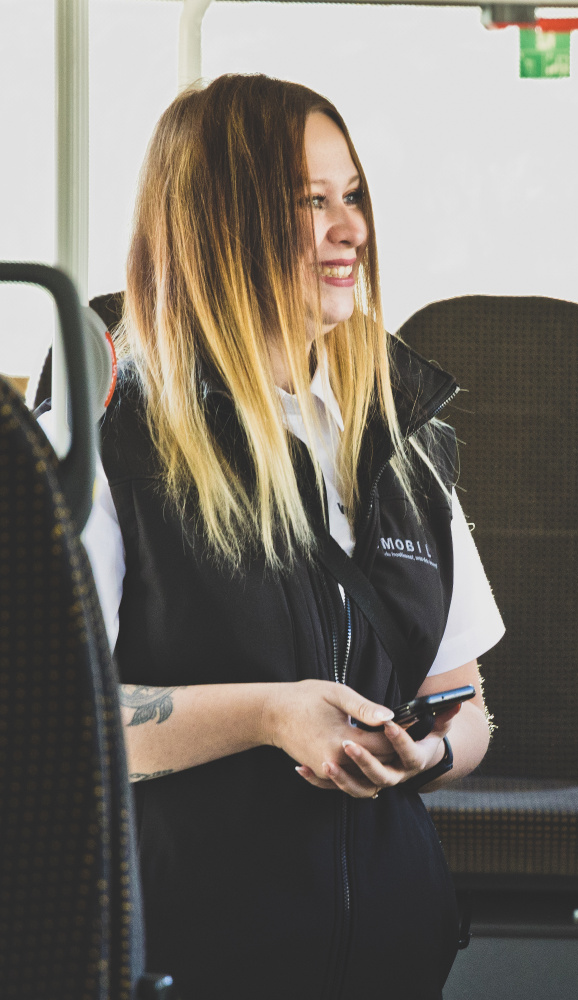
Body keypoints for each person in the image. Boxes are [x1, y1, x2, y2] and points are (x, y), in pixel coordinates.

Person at [71, 74, 504, 1000]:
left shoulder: (400, 432)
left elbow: (464, 706)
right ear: (217, 223)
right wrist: (271, 715)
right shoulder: (110, 421)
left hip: (392, 956)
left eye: (353, 196)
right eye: (311, 203)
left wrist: (423, 754)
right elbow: (57, 717)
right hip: (186, 954)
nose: (350, 229)